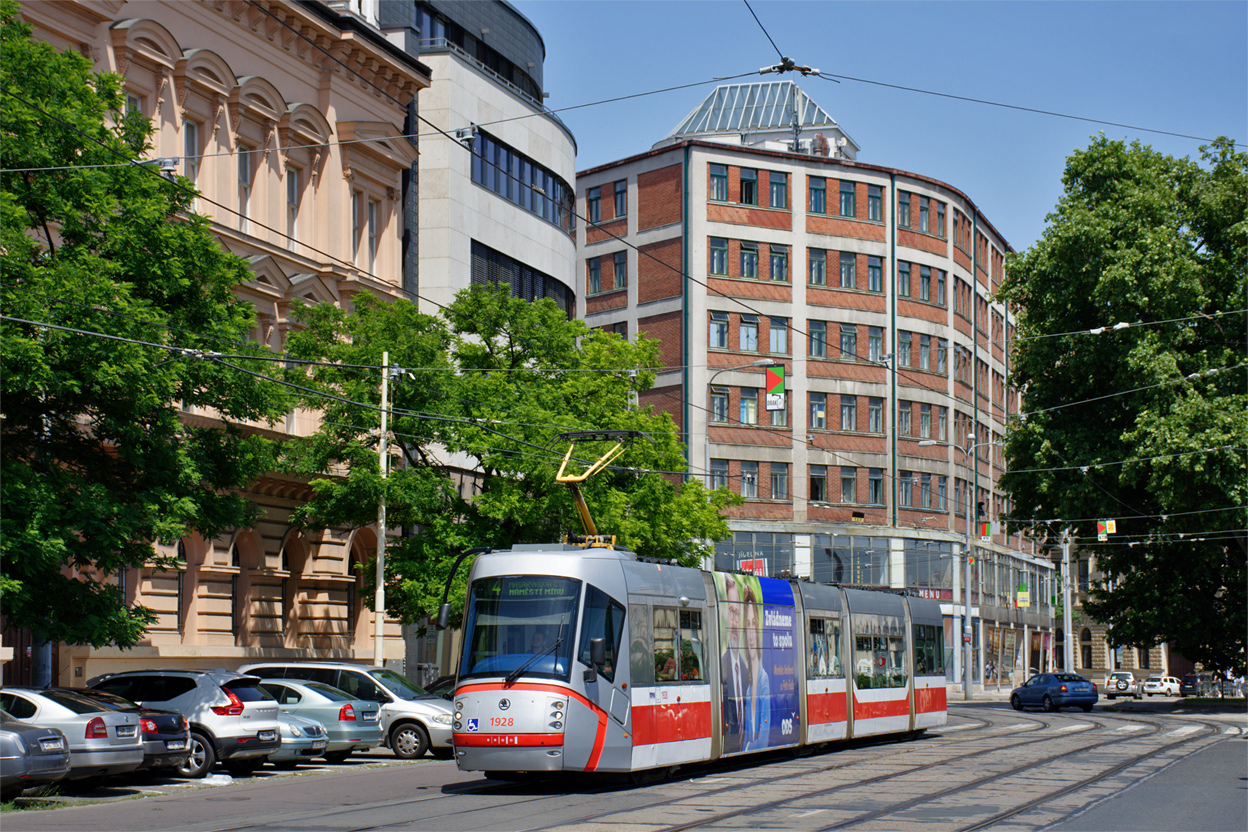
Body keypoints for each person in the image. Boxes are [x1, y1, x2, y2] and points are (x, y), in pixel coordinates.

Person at [741, 582, 770, 751]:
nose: (751, 632)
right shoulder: (748, 685)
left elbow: (764, 737)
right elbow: (747, 736)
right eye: (747, 624)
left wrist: (747, 749)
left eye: (753, 623)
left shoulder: (763, 679)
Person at [719, 576, 746, 754]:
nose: (734, 622)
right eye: (731, 613)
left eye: (738, 613)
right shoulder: (720, 666)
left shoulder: (747, 670)